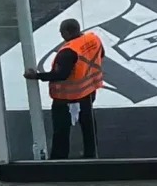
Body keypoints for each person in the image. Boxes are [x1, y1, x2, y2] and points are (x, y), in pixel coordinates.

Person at [22, 17, 105, 160]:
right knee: (89, 126)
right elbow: (101, 54)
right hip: (89, 91)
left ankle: (59, 159)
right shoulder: (93, 39)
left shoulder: (67, 52)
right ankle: (91, 155)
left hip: (68, 98)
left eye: (61, 32)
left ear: (66, 32)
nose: (61, 34)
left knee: (61, 130)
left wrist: (35, 76)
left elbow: (60, 75)